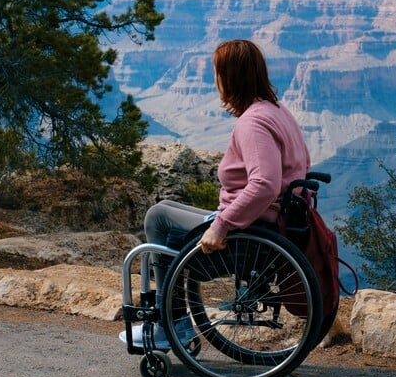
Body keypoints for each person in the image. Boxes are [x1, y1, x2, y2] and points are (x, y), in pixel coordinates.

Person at [122, 39, 312, 349]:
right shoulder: (277, 111)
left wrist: (220, 226)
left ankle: (170, 323)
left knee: (158, 216)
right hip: (269, 225)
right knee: (167, 208)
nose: (214, 81)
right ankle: (174, 320)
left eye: (217, 73)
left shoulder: (253, 123)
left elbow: (264, 184)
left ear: (230, 77)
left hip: (248, 235)